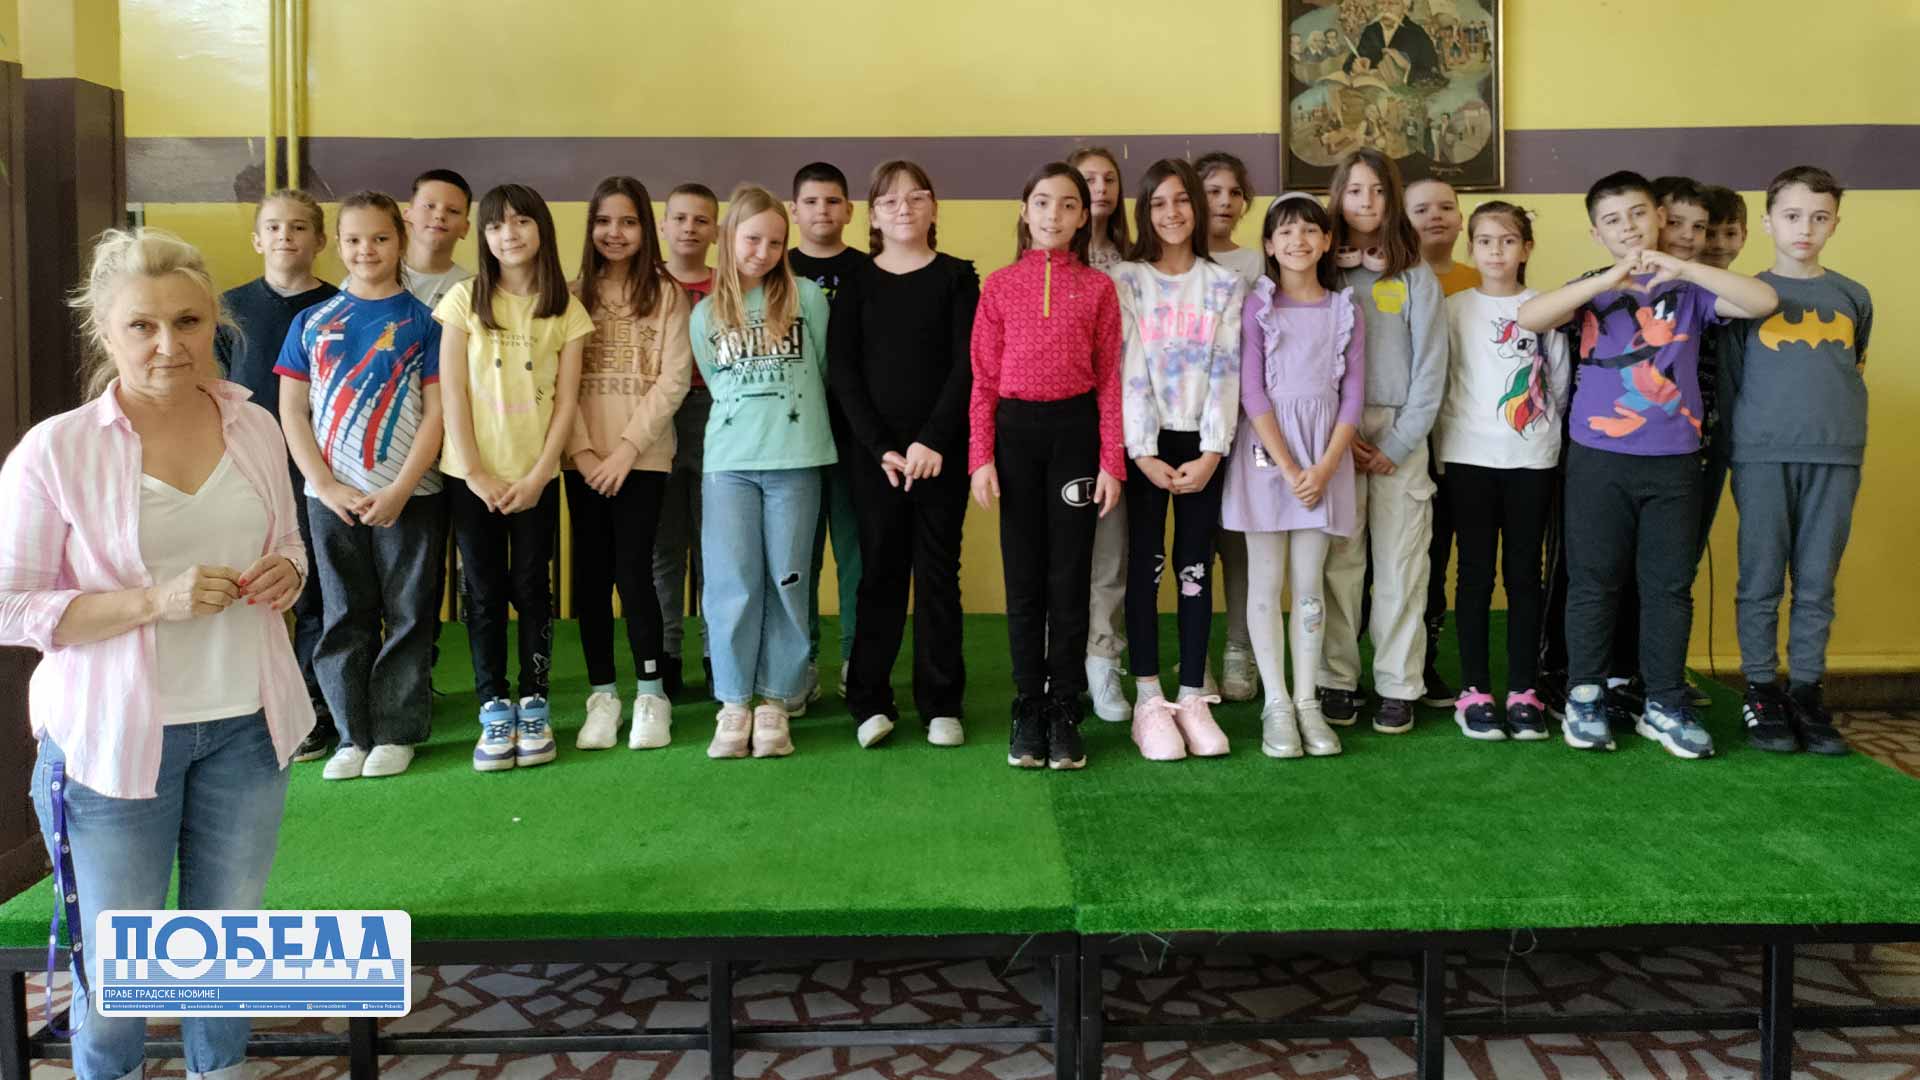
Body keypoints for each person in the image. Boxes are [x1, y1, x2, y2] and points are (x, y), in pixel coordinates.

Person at [0, 228, 310, 1080]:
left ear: (216, 323)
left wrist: (288, 572)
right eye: (142, 325)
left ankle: (220, 1070)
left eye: (187, 321)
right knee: (117, 977)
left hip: (248, 730)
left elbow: (290, 543)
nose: (168, 344)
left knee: (226, 948)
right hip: (110, 748)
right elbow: (11, 605)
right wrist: (152, 604)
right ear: (105, 332)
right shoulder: (57, 449)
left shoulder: (254, 426)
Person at [1517, 170, 1776, 758]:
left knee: (1668, 588)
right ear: (1596, 233)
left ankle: (1663, 702)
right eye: (1612, 221)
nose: (1628, 228)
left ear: (1658, 216)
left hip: (1675, 462)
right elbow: (1531, 317)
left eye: (1637, 213)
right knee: (1593, 583)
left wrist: (1682, 267)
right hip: (1597, 459)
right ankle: (1585, 695)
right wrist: (1608, 278)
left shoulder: (1692, 292)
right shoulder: (1593, 288)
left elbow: (1763, 301)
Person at [278, 191, 446, 780]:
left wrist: (400, 489)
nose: (366, 250)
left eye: (379, 238)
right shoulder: (311, 321)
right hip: (331, 500)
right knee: (343, 614)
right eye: (353, 239)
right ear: (337, 244)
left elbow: (437, 414)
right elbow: (293, 411)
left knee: (408, 615)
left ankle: (396, 732)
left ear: (400, 240)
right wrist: (324, 486)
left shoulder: (425, 323)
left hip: (410, 496)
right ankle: (352, 734)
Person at [970, 162, 1124, 771]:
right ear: (1024, 211)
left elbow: (1110, 380)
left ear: (1083, 216)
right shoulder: (999, 286)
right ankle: (1028, 702)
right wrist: (981, 457)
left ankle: (1064, 704)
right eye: (1041, 202)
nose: (1053, 215)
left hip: (1074, 436)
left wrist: (1111, 460)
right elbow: (983, 380)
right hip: (1016, 437)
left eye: (1066, 204)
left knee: (1069, 575)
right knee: (1024, 575)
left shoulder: (1098, 288)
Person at [434, 183, 593, 772]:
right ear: (484, 237)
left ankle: (534, 703)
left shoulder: (565, 309)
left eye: (522, 222)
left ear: (541, 230)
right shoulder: (463, 299)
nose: (509, 235)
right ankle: (492, 705)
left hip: (535, 479)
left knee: (531, 588)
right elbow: (451, 393)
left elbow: (567, 402)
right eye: (497, 225)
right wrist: (475, 471)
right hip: (470, 477)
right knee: (482, 592)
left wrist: (541, 473)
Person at [829, 160, 978, 749]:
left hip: (942, 454)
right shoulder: (856, 282)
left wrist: (932, 440)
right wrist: (883, 448)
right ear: (873, 216)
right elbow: (844, 372)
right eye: (890, 201)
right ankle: (869, 700)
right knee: (880, 574)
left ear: (934, 207)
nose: (904, 209)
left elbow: (968, 365)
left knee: (939, 575)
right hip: (877, 461)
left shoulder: (957, 277)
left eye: (916, 197)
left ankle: (941, 702)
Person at [1726, 166, 1871, 757]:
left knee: (1816, 581)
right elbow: (1735, 376)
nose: (1804, 228)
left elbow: (1853, 366)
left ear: (1835, 222)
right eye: (1791, 216)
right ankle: (1761, 689)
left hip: (1836, 453)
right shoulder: (1745, 295)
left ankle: (1807, 691)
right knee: (1761, 577)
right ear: (1767, 222)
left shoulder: (1852, 296)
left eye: (1819, 217)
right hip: (1762, 453)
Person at [691, 184, 836, 760]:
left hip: (795, 462)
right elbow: (714, 381)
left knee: (788, 582)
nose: (764, 252)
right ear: (729, 238)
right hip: (729, 467)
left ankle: (777, 699)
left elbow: (821, 367)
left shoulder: (808, 298)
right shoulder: (705, 314)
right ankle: (734, 702)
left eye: (776, 243)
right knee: (732, 584)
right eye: (753, 239)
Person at [1222, 192, 1364, 761]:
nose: (1298, 241)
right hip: (1267, 455)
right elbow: (1252, 392)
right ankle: (1276, 704)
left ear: (1326, 241)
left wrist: (1324, 466)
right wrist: (1288, 466)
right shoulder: (1257, 309)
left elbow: (1353, 395)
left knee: (1309, 585)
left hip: (1325, 458)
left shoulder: (1344, 309)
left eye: (1309, 230)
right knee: (1264, 581)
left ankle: (1307, 701)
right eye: (1285, 232)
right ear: (1269, 244)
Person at [1112, 158, 1246, 761]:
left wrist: (1214, 449)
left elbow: (1226, 368)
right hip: (1146, 445)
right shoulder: (1127, 279)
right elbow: (1129, 368)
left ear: (1197, 205)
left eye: (1182, 200)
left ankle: (1193, 693)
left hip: (1203, 447)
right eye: (1159, 202)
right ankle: (1148, 698)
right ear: (1145, 211)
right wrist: (1141, 451)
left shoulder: (1223, 284)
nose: (1172, 213)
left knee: (1195, 568)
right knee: (1146, 567)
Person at [1317, 149, 1448, 735]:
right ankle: (1337, 678)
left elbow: (1432, 367)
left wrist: (1397, 443)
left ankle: (1398, 683)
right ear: (1338, 197)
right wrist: (1338, 436)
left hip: (1402, 433)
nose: (1366, 202)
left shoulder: (1415, 274)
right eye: (1354, 191)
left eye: (1377, 191)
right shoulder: (1322, 269)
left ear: (1393, 199)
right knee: (1339, 564)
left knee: (1401, 565)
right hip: (1334, 435)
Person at [566, 176, 692, 751]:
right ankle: (602, 695)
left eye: (628, 221)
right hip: (582, 461)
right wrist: (583, 452)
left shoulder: (667, 295)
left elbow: (673, 381)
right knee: (590, 578)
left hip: (642, 459)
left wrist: (625, 450)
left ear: (645, 229)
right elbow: (558, 385)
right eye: (603, 221)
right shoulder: (570, 295)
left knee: (634, 571)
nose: (614, 233)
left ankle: (650, 694)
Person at [1435, 202, 1569, 740]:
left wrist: (1541, 436)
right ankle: (1473, 690)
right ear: (1470, 248)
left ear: (1526, 248)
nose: (1496, 251)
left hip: (1531, 460)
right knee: (1473, 574)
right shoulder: (1453, 309)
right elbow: (1442, 381)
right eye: (1485, 241)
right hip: (1468, 458)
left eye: (1508, 240)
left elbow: (1559, 383)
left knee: (1524, 575)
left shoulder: (1545, 307)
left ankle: (1523, 689)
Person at [214, 188, 337, 762]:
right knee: (248, 590)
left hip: (316, 470)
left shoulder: (337, 307)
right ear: (257, 239)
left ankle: (312, 705)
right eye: (274, 227)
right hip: (244, 470)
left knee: (313, 592)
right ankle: (250, 704)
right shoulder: (229, 308)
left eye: (298, 227)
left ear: (320, 240)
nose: (285, 236)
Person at [787, 162, 867, 705]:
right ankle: (801, 661)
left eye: (833, 201)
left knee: (856, 553)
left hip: (855, 435)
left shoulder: (868, 270)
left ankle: (858, 659)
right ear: (793, 211)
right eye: (811, 202)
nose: (822, 210)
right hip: (792, 436)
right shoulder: (776, 266)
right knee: (799, 556)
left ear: (850, 210)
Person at [1069, 146, 1137, 725]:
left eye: (1109, 179)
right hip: (1060, 421)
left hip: (1122, 419)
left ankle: (1102, 657)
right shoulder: (1043, 263)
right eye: (1087, 178)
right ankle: (1059, 660)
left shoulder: (1134, 263)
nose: (1100, 187)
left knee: (1110, 550)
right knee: (1059, 550)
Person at [1406, 176, 1479, 711]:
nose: (1436, 216)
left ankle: (1424, 663)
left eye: (1446, 207)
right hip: (1401, 442)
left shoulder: (1482, 280)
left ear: (1461, 220)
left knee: (1435, 559)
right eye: (1421, 208)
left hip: (1459, 445)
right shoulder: (1389, 278)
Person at [1195, 150, 1263, 703]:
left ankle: (1240, 646)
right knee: (1191, 543)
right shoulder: (1172, 260)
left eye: (1233, 193)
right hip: (1186, 423)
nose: (1223, 201)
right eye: (1212, 191)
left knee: (1238, 543)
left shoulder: (1256, 263)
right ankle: (1193, 653)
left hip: (1245, 423)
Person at [656, 183, 722, 698]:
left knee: (714, 548)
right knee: (664, 548)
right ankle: (667, 657)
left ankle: (717, 655)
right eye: (679, 218)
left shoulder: (727, 286)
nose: (689, 228)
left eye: (701, 220)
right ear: (663, 225)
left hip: (715, 414)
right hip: (657, 416)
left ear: (716, 230)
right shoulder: (647, 284)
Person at [399, 168, 477, 308]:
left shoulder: (471, 289)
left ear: (465, 228)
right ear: (407, 215)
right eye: (429, 206)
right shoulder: (374, 275)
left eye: (453, 211)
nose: (439, 215)